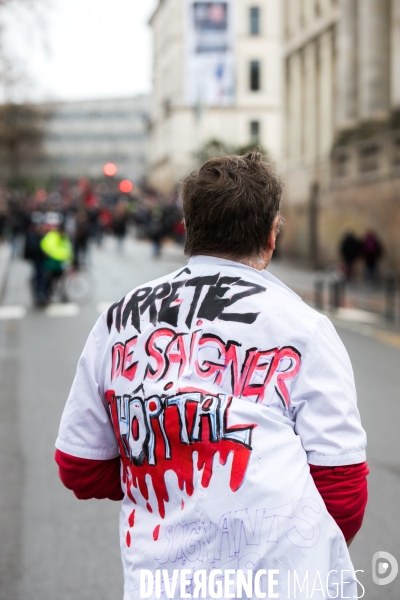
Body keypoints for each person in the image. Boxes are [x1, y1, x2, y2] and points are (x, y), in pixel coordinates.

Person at [55, 152, 368, 599]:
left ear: (188, 226)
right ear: (271, 234)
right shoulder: (305, 328)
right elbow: (342, 487)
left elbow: (81, 465)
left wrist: (169, 478)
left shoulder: (118, 320)